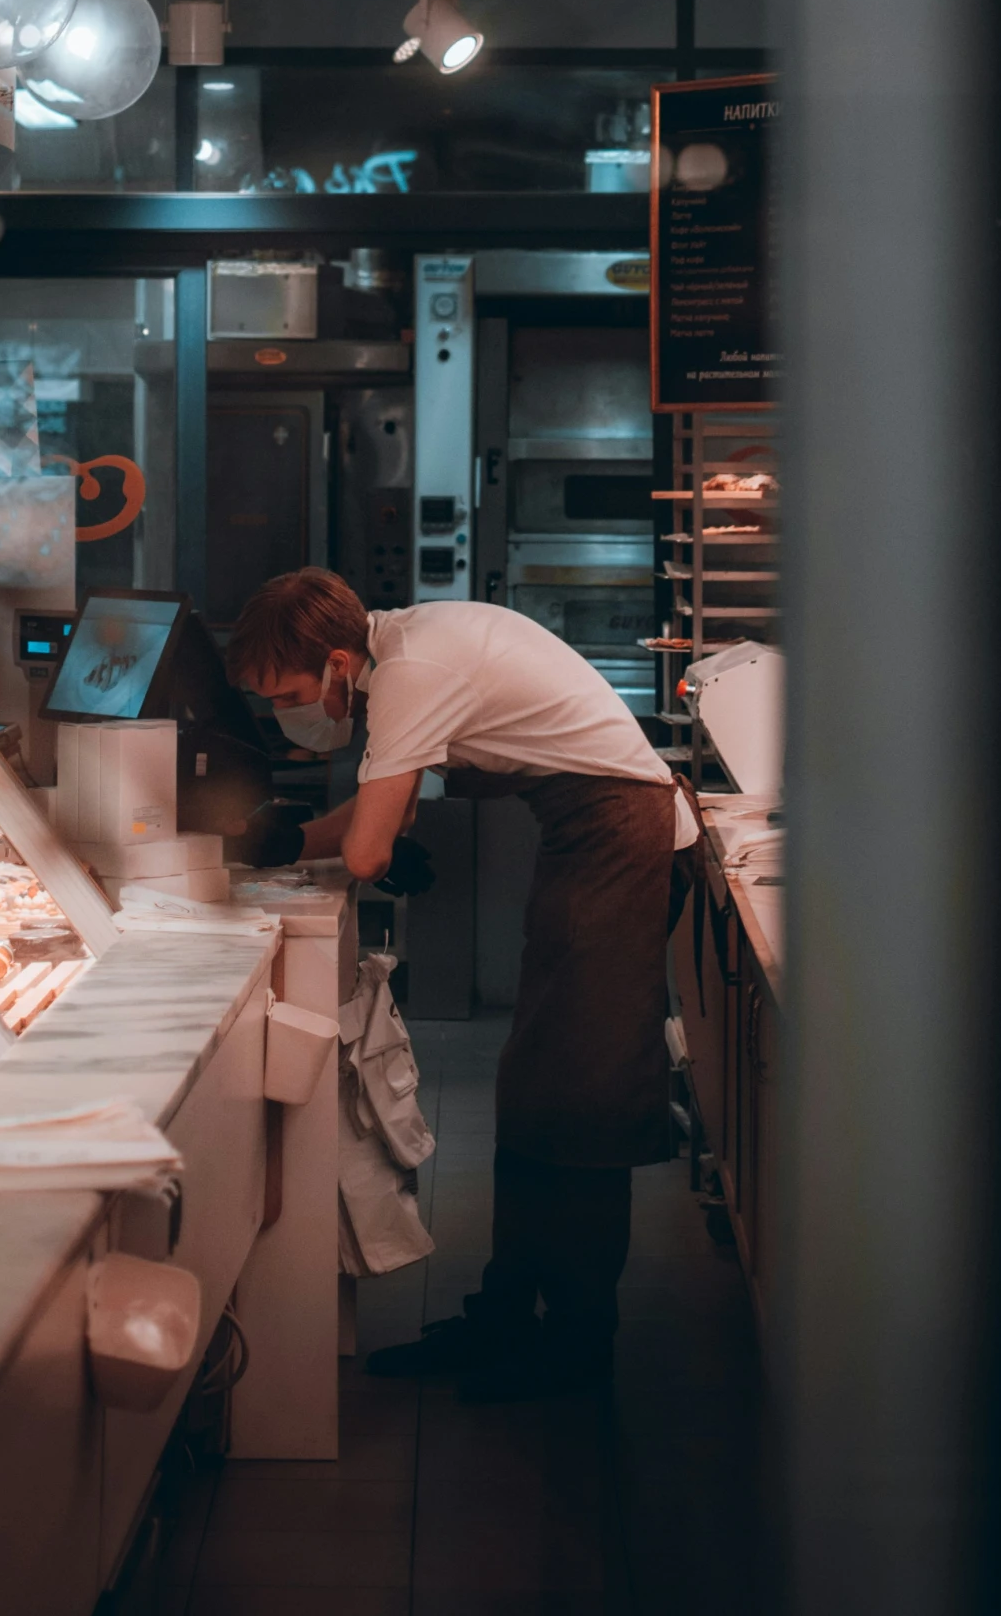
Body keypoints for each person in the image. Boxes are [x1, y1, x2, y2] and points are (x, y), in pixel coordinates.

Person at [226, 566, 698, 1401]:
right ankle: (506, 1316)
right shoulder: (400, 647)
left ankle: (577, 1348)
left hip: (625, 842)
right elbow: (390, 813)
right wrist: (286, 841)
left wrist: (309, 842)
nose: (284, 714)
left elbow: (371, 846)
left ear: (337, 663)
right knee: (533, 1091)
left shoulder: (410, 671)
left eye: (288, 692)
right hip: (585, 840)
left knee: (581, 1099)